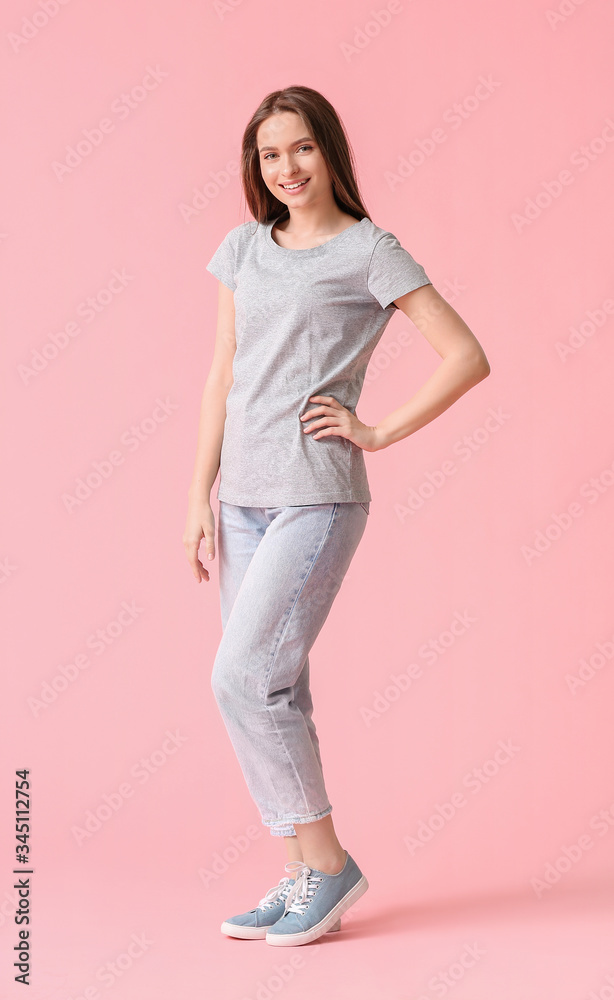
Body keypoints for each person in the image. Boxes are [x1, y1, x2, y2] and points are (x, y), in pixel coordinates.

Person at [183, 85, 490, 947]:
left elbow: (466, 354)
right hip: (238, 499)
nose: (286, 168)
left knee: (240, 677)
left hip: (314, 496)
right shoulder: (243, 247)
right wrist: (195, 499)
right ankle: (296, 875)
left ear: (331, 152)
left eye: (302, 149)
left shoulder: (369, 251)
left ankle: (328, 866)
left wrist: (378, 429)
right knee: (276, 688)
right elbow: (221, 377)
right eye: (270, 154)